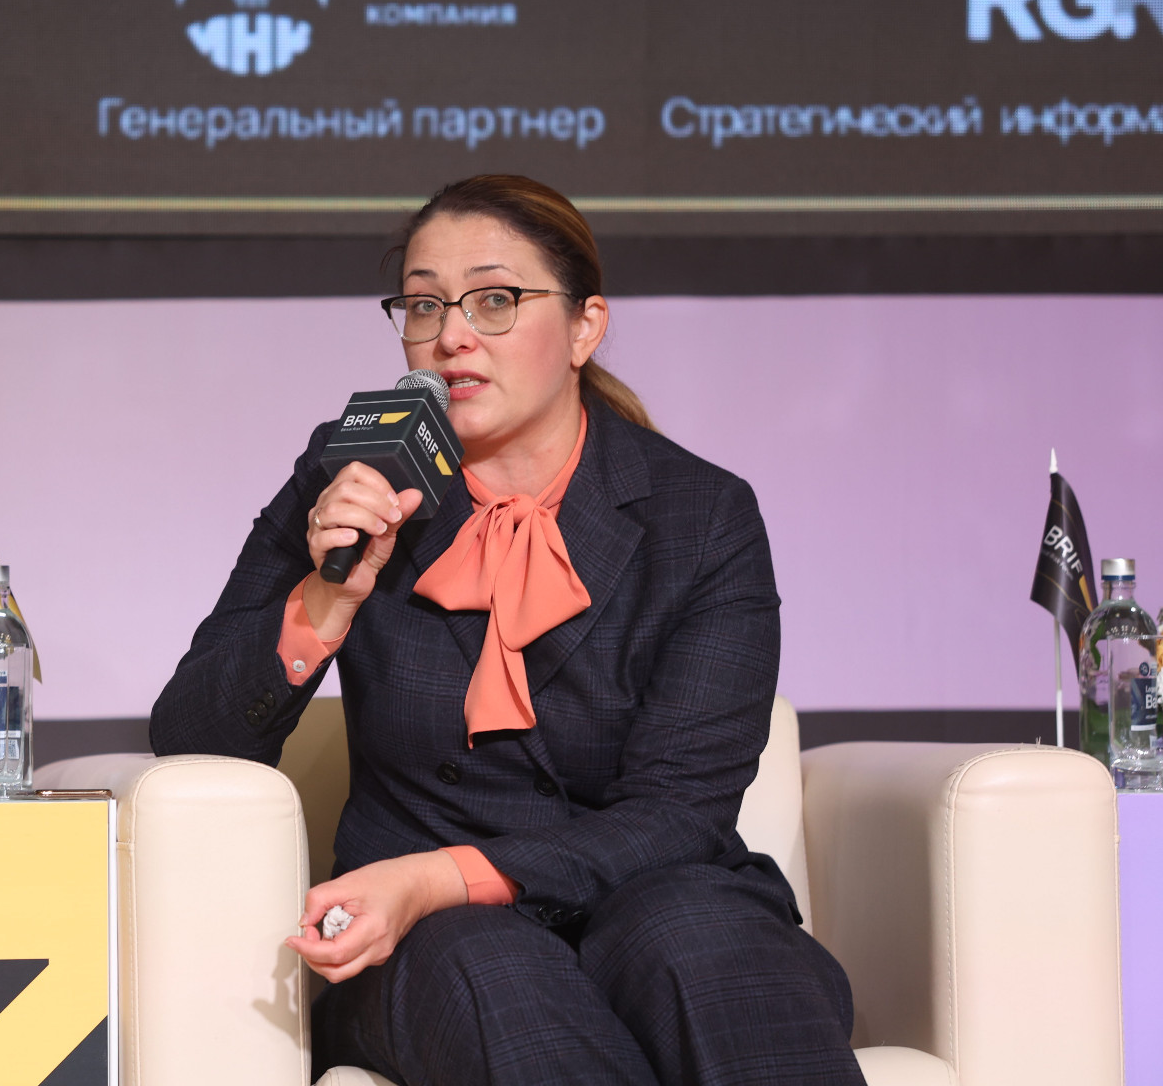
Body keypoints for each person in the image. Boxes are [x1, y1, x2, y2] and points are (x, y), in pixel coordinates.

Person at [149, 175, 862, 1086]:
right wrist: (327, 601)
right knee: (495, 972)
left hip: (643, 891)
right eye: (423, 304)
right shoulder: (351, 474)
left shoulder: (700, 514)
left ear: (585, 327)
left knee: (703, 944)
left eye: (494, 300)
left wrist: (440, 873)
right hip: (431, 938)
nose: (451, 335)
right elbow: (191, 736)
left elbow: (678, 815)